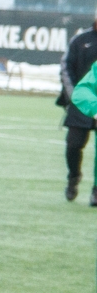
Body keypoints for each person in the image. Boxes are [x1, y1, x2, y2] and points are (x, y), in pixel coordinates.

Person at [58, 19, 97, 203]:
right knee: (73, 145)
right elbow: (66, 67)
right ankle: (74, 177)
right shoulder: (80, 39)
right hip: (82, 101)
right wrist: (75, 95)